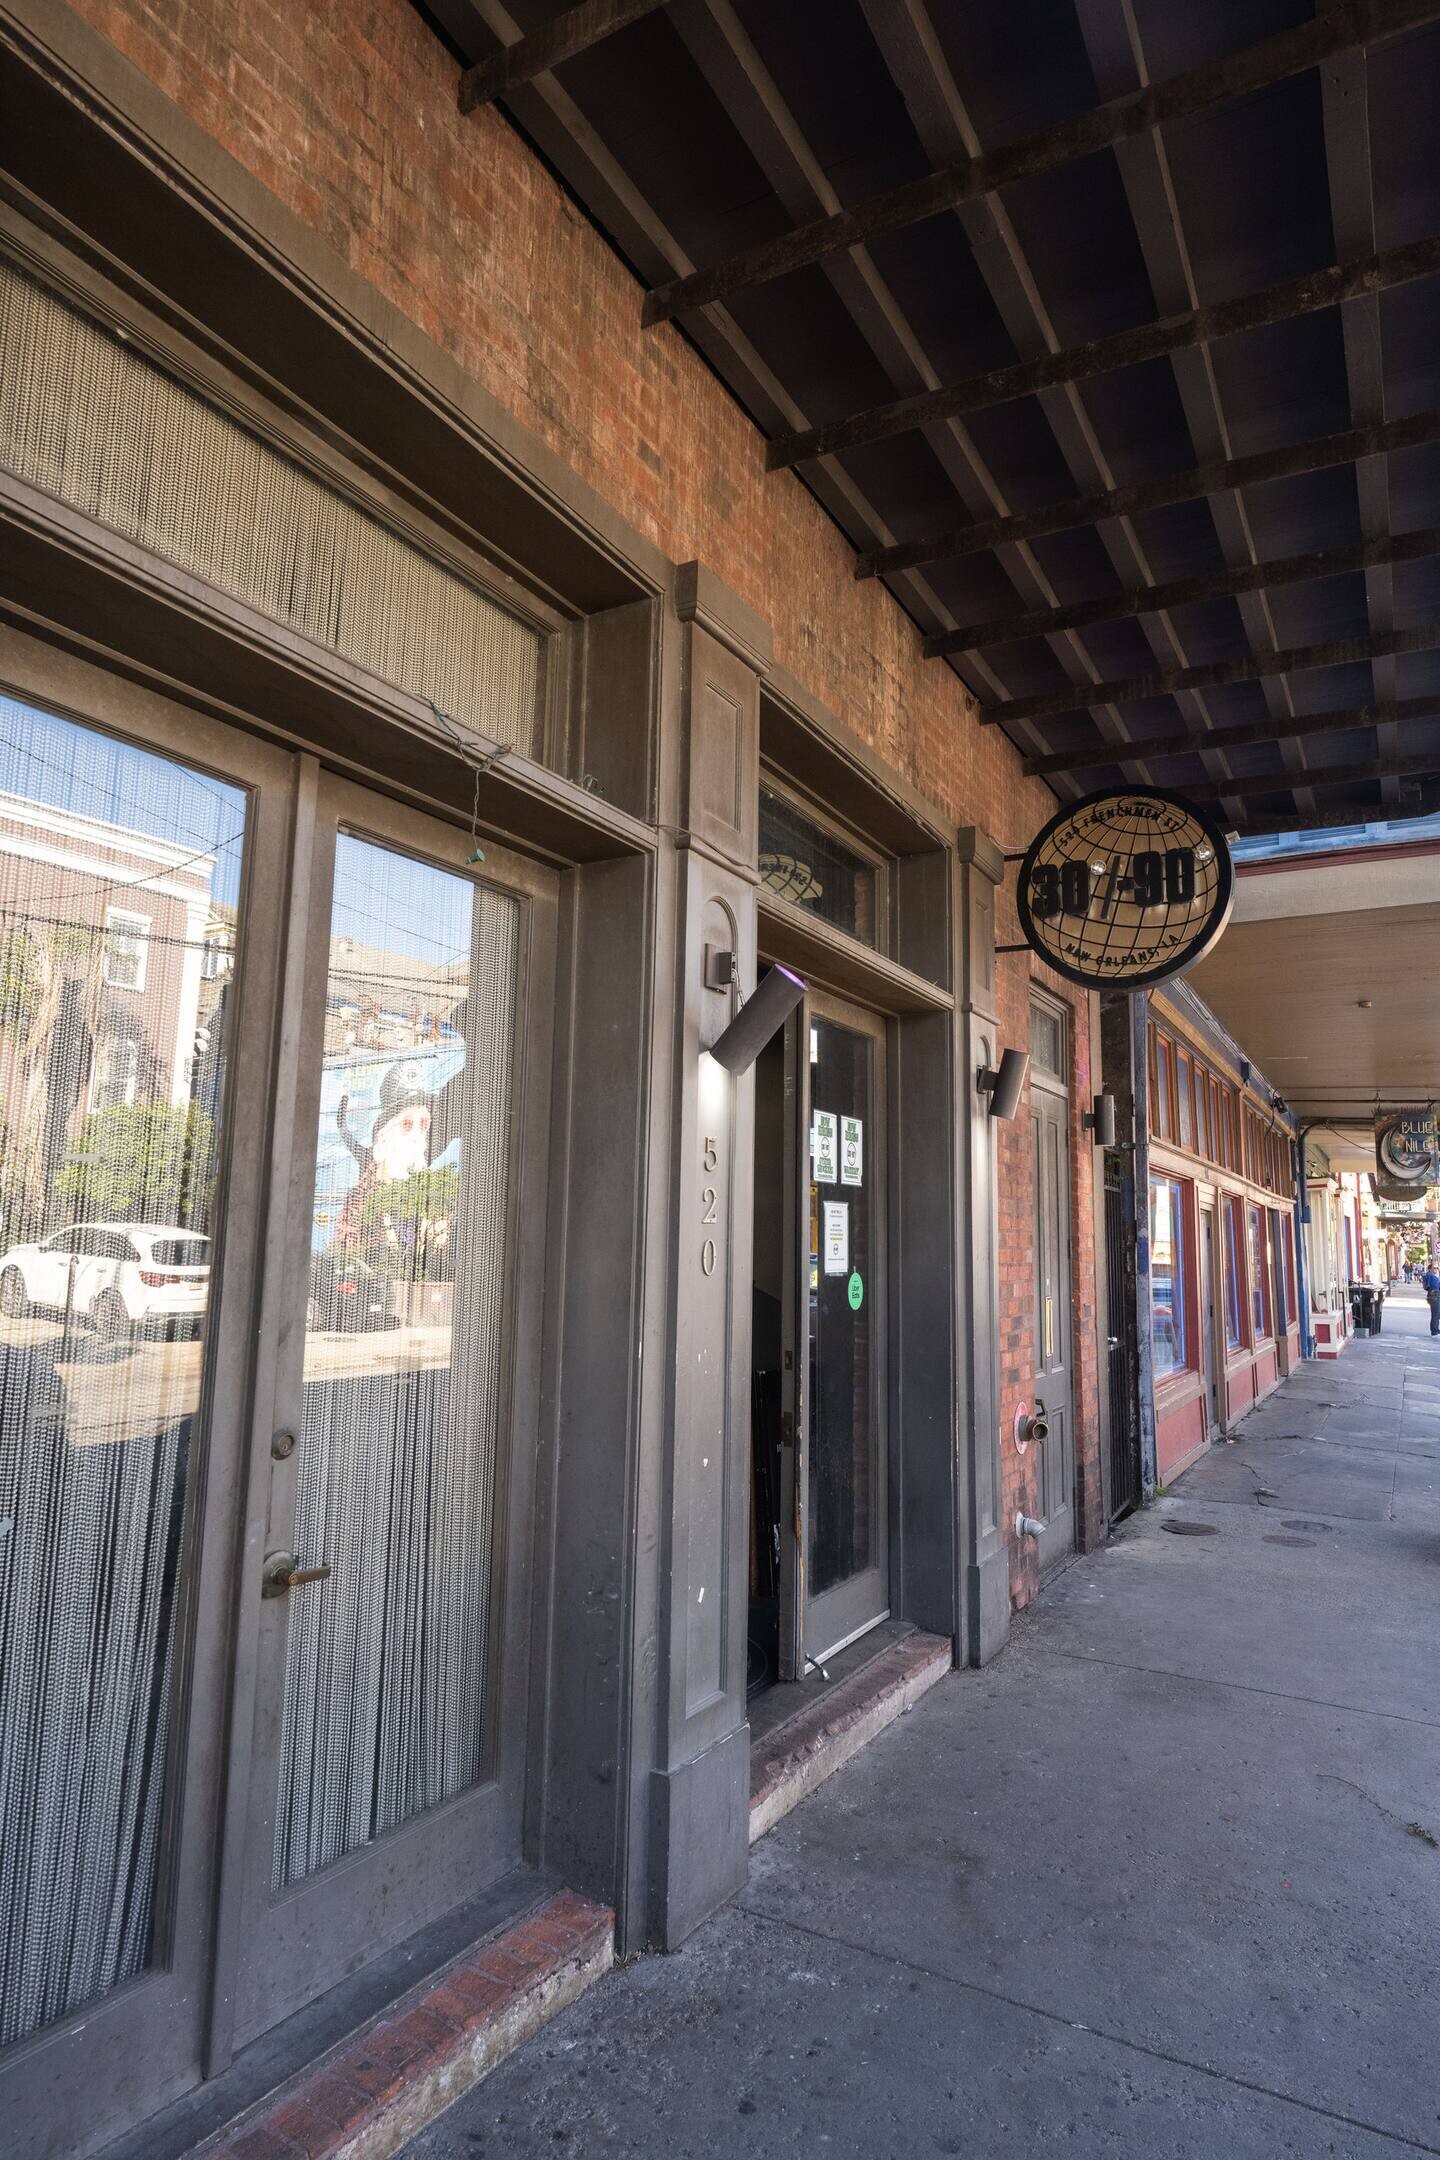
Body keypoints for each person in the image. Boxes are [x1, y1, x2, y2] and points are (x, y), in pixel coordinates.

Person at [1423, 1261, 1440, 1337]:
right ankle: (1434, 1331)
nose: (1436, 1269)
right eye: (1434, 1268)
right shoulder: (1431, 1275)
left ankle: (1435, 1329)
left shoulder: (1432, 1275)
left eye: (1437, 1268)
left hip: (1434, 1296)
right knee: (1435, 1314)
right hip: (1434, 1296)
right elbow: (1435, 1286)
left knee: (1437, 1314)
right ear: (1430, 1269)